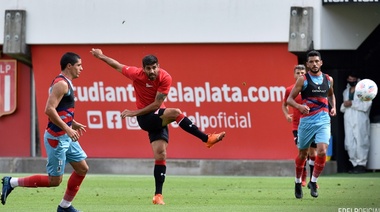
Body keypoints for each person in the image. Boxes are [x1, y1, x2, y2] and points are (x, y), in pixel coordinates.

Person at [90, 48, 226, 205]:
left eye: (154, 67)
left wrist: (134, 112)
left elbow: (156, 104)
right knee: (175, 112)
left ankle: (158, 196)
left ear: (158, 66)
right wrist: (100, 56)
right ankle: (206, 138)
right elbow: (117, 65)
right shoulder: (136, 74)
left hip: (157, 115)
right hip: (146, 119)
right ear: (143, 69)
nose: (152, 71)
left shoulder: (165, 77)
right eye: (148, 68)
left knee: (160, 154)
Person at [1, 52, 88, 212]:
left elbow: (60, 109)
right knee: (55, 181)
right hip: (57, 138)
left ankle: (65, 206)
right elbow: (49, 109)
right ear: (69, 66)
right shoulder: (62, 84)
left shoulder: (66, 82)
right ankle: (11, 182)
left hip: (65, 136)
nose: (81, 68)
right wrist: (67, 128)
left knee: (82, 168)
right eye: (79, 65)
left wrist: (72, 123)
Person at [287, 50, 336, 199]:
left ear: (321, 62)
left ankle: (313, 182)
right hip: (307, 121)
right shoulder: (303, 80)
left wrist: (333, 106)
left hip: (323, 120)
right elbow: (289, 99)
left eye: (317, 61)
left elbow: (330, 94)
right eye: (311, 62)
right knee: (303, 154)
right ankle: (297, 182)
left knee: (322, 151)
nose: (314, 64)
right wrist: (299, 107)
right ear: (307, 64)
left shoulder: (328, 79)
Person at [282, 65, 317, 187]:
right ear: (294, 75)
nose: (300, 74)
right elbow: (284, 104)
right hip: (297, 126)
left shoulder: (311, 88)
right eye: (297, 72)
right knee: (303, 152)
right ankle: (303, 177)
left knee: (313, 154)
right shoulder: (289, 90)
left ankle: (313, 180)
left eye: (302, 72)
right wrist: (286, 114)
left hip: (311, 124)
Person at [340, 72, 372, 174]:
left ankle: (361, 164)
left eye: (353, 79)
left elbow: (366, 106)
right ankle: (354, 164)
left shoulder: (364, 91)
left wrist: (352, 103)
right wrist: (346, 104)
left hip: (360, 118)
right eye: (349, 79)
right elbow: (342, 108)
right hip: (348, 118)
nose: (351, 81)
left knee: (361, 140)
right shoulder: (345, 91)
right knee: (349, 142)